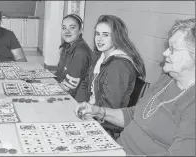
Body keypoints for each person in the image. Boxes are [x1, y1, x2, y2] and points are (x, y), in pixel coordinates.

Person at [75, 18, 195, 156]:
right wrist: (98, 111)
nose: (165, 53)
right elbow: (135, 114)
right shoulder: (166, 78)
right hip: (117, 147)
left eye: (173, 49)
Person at [75, 15, 146, 109]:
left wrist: (87, 110)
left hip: (102, 118)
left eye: (105, 35)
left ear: (117, 37)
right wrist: (78, 103)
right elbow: (85, 82)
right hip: (91, 108)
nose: (99, 39)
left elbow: (109, 107)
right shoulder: (99, 56)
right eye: (97, 34)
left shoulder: (118, 65)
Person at [55, 14, 93, 98]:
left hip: (76, 99)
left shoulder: (80, 52)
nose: (67, 31)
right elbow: (59, 74)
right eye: (64, 28)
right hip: (64, 90)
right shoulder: (67, 46)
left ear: (80, 31)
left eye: (72, 27)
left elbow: (70, 88)